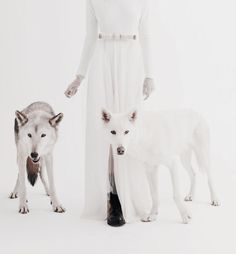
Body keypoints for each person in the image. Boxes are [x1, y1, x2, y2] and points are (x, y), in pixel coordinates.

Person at [65, 0, 155, 226]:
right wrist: (79, 76)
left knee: (128, 128)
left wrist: (150, 75)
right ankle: (113, 197)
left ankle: (130, 195)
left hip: (131, 62)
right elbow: (89, 36)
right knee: (106, 131)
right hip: (102, 60)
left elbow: (146, 35)